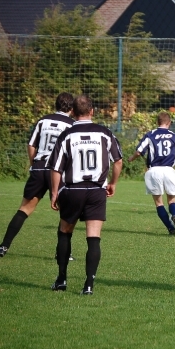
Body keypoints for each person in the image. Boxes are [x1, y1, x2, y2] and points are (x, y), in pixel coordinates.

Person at [47, 95, 123, 295]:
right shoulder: (105, 133)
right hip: (97, 191)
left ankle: (62, 279)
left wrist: (54, 193)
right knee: (93, 237)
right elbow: (118, 161)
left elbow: (56, 169)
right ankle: (89, 285)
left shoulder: (66, 134)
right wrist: (113, 183)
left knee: (65, 232)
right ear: (92, 111)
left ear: (72, 112)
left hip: (72, 190)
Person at [0, 92, 74, 259]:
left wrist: (33, 164)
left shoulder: (43, 121)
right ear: (71, 109)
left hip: (38, 167)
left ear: (55, 105)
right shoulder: (71, 125)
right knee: (66, 213)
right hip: (57, 171)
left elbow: (31, 145)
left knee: (25, 208)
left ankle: (3, 246)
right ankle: (63, 253)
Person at [128, 111, 175, 235]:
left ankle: (171, 229)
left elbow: (139, 151)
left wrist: (131, 158)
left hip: (154, 171)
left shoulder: (150, 135)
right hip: (169, 170)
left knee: (159, 203)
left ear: (157, 122)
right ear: (169, 123)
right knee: (172, 200)